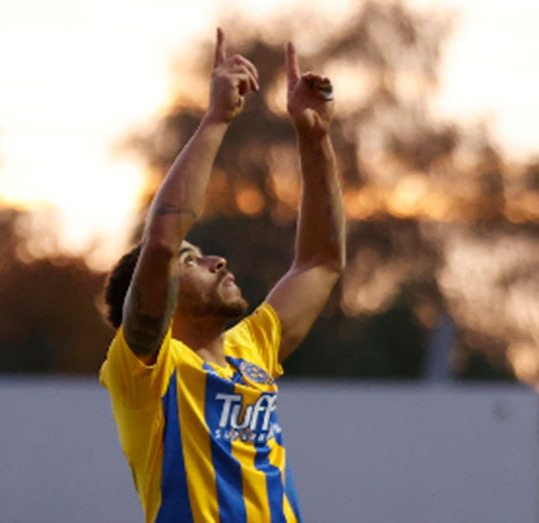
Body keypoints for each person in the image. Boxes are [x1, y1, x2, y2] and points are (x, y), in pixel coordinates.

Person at [99, 27, 345, 523]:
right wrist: (216, 117)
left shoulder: (251, 347)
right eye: (191, 261)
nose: (217, 261)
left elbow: (321, 262)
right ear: (158, 298)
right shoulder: (147, 368)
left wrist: (314, 137)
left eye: (204, 254)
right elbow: (163, 239)